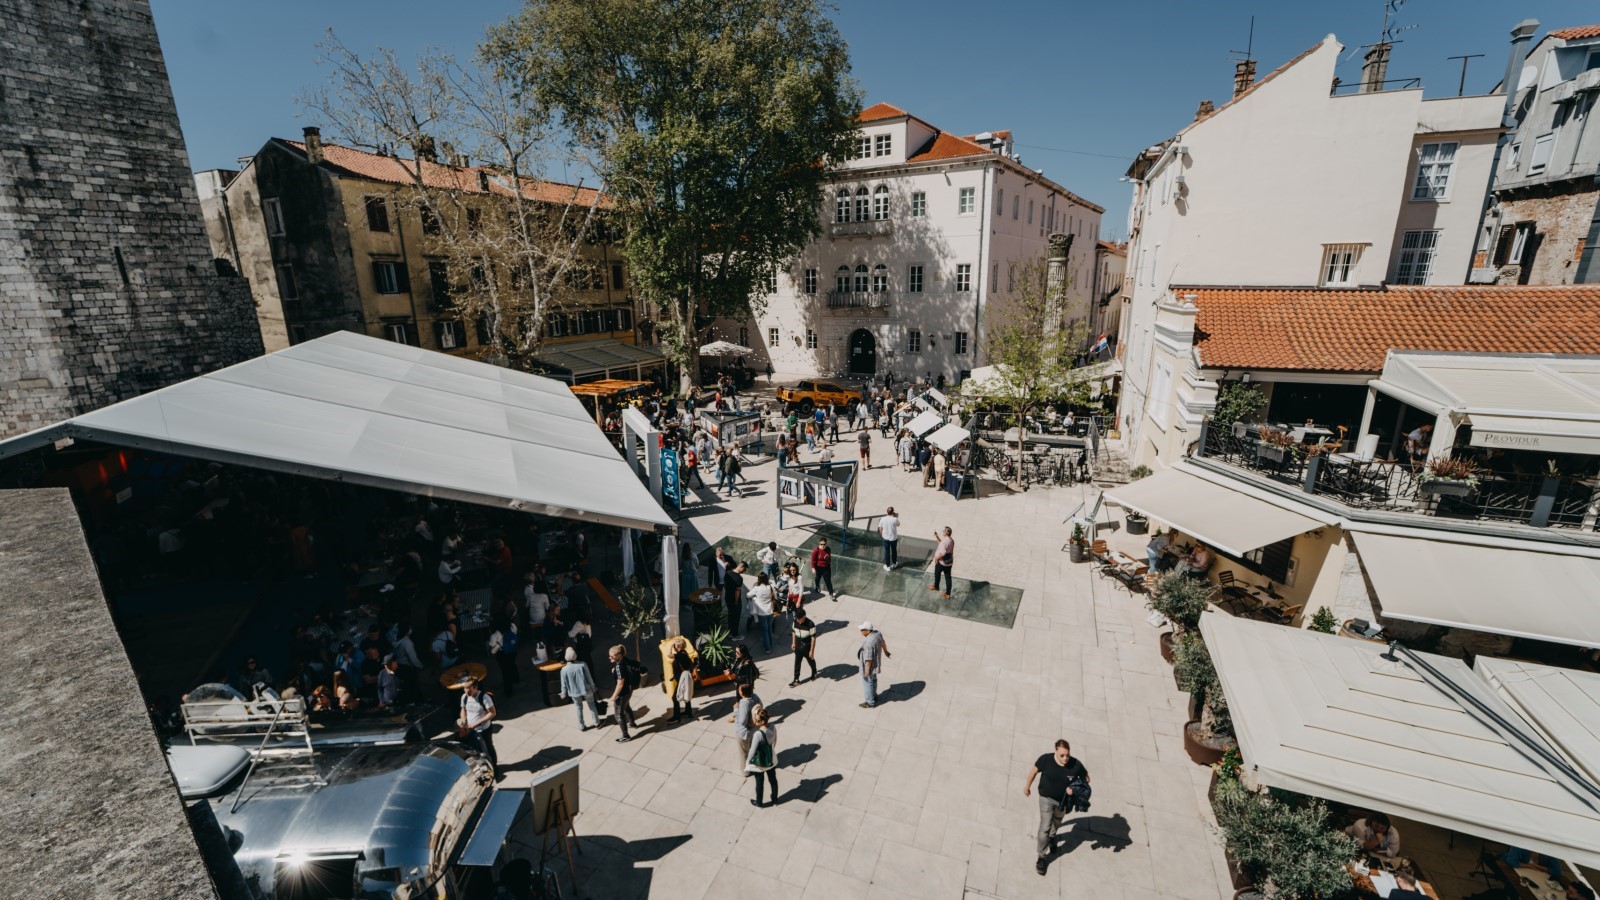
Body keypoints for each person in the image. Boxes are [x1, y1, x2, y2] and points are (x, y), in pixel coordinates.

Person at [1024, 739, 1091, 875]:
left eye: (1067, 755)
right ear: (1056, 751)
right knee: (1045, 827)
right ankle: (1041, 857)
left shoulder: (1075, 764)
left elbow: (1086, 779)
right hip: (1046, 799)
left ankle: (1052, 837)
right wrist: (1027, 786)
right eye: (1062, 755)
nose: (1065, 758)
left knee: (1057, 821)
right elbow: (1033, 772)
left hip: (1064, 802)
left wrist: (1074, 788)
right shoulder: (1046, 760)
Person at [458, 676, 498, 768]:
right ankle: (483, 767)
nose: (467, 691)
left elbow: (492, 713)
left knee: (488, 749)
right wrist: (464, 720)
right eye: (465, 688)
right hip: (471, 730)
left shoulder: (484, 698)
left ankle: (494, 767)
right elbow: (463, 709)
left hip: (484, 730)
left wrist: (477, 723)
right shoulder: (464, 697)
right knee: (475, 750)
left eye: (469, 689)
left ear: (476, 687)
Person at [558, 647, 600, 731]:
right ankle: (596, 722)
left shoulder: (564, 670)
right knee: (592, 705)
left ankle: (581, 726)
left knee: (578, 708)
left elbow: (564, 684)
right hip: (587, 689)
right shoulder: (582, 664)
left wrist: (563, 692)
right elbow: (589, 677)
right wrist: (594, 687)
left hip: (574, 692)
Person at [746, 704, 779, 807]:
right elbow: (775, 741)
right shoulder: (773, 727)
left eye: (756, 721)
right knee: (773, 780)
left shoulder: (758, 734)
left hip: (760, 763)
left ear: (760, 721)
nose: (755, 722)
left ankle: (759, 802)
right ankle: (774, 799)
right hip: (771, 759)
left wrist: (748, 761)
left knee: (759, 783)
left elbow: (752, 750)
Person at [608, 645, 641, 743]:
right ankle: (632, 723)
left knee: (618, 715)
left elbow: (620, 683)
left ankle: (625, 735)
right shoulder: (624, 660)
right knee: (626, 706)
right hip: (629, 689)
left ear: (619, 655)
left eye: (612, 656)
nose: (610, 658)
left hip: (622, 693)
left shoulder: (619, 666)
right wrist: (615, 670)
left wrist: (613, 697)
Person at [729, 681, 762, 773]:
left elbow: (742, 721)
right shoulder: (755, 697)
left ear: (743, 692)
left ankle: (746, 771)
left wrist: (736, 709)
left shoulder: (743, 703)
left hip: (744, 732)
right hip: (755, 729)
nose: (738, 691)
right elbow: (761, 707)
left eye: (739, 690)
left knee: (744, 752)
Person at [857, 621, 890, 708]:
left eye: (862, 629)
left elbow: (868, 659)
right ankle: (874, 696)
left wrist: (867, 671)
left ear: (867, 631)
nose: (860, 631)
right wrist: (886, 652)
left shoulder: (868, 643)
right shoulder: (878, 633)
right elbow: (883, 642)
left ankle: (869, 702)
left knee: (868, 682)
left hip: (870, 667)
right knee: (874, 680)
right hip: (876, 664)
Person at [666, 636, 698, 724]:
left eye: (675, 646)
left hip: (682, 680)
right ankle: (688, 712)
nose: (674, 647)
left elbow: (668, 655)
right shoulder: (684, 653)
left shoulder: (681, 655)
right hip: (681, 678)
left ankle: (676, 717)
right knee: (685, 693)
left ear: (678, 647)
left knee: (675, 697)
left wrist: (670, 645)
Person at [487, 617, 521, 699]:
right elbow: (515, 633)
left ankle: (508, 691)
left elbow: (491, 645)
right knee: (512, 664)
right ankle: (516, 678)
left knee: (505, 672)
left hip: (502, 654)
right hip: (513, 650)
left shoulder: (495, 634)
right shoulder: (512, 626)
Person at [749, 573, 777, 653]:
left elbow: (748, 595)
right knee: (769, 629)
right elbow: (775, 597)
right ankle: (770, 645)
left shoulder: (756, 588)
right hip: (770, 611)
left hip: (761, 613)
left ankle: (768, 649)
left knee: (764, 631)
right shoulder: (770, 587)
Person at [790, 609, 817, 686]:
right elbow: (793, 632)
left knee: (810, 660)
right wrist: (793, 643)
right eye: (797, 618)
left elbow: (813, 638)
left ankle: (814, 672)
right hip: (798, 645)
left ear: (804, 617)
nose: (798, 620)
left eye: (799, 618)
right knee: (797, 663)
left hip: (807, 646)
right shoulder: (795, 621)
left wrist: (812, 651)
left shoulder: (810, 624)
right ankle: (796, 679)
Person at [930, 526, 955, 598]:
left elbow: (943, 552)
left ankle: (936, 586)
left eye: (943, 531)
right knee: (948, 577)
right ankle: (948, 593)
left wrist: (936, 558)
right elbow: (941, 544)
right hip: (949, 562)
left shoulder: (944, 542)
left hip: (942, 562)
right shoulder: (951, 540)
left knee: (937, 573)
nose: (943, 532)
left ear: (946, 533)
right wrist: (936, 536)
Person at [878, 507, 901, 571]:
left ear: (887, 512)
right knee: (894, 551)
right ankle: (894, 563)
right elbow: (898, 524)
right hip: (893, 538)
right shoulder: (895, 519)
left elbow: (880, 527)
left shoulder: (882, 519)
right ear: (893, 512)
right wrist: (896, 516)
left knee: (886, 552)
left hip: (885, 538)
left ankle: (887, 566)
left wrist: (882, 534)